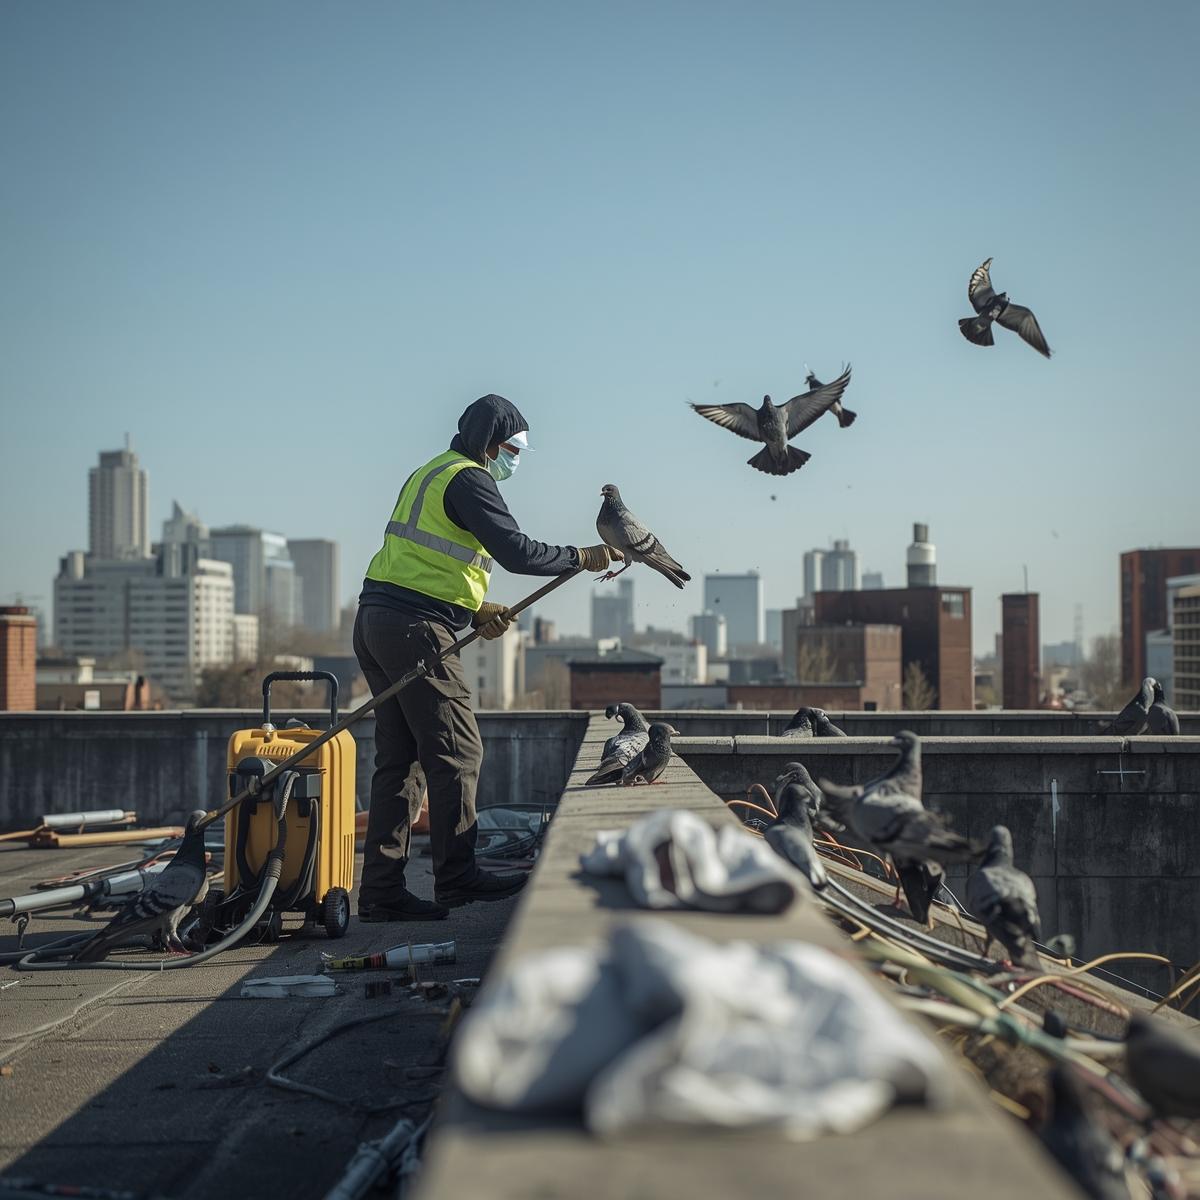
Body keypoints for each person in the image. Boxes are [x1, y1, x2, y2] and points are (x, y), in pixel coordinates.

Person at [352, 394, 620, 921]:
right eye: (514, 448)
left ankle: (382, 892)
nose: (516, 459)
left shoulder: (430, 471)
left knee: (402, 763)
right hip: (413, 628)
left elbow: (424, 558)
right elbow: (515, 551)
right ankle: (457, 878)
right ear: (490, 444)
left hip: (378, 619)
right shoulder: (470, 478)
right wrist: (579, 557)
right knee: (458, 750)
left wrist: (473, 609)